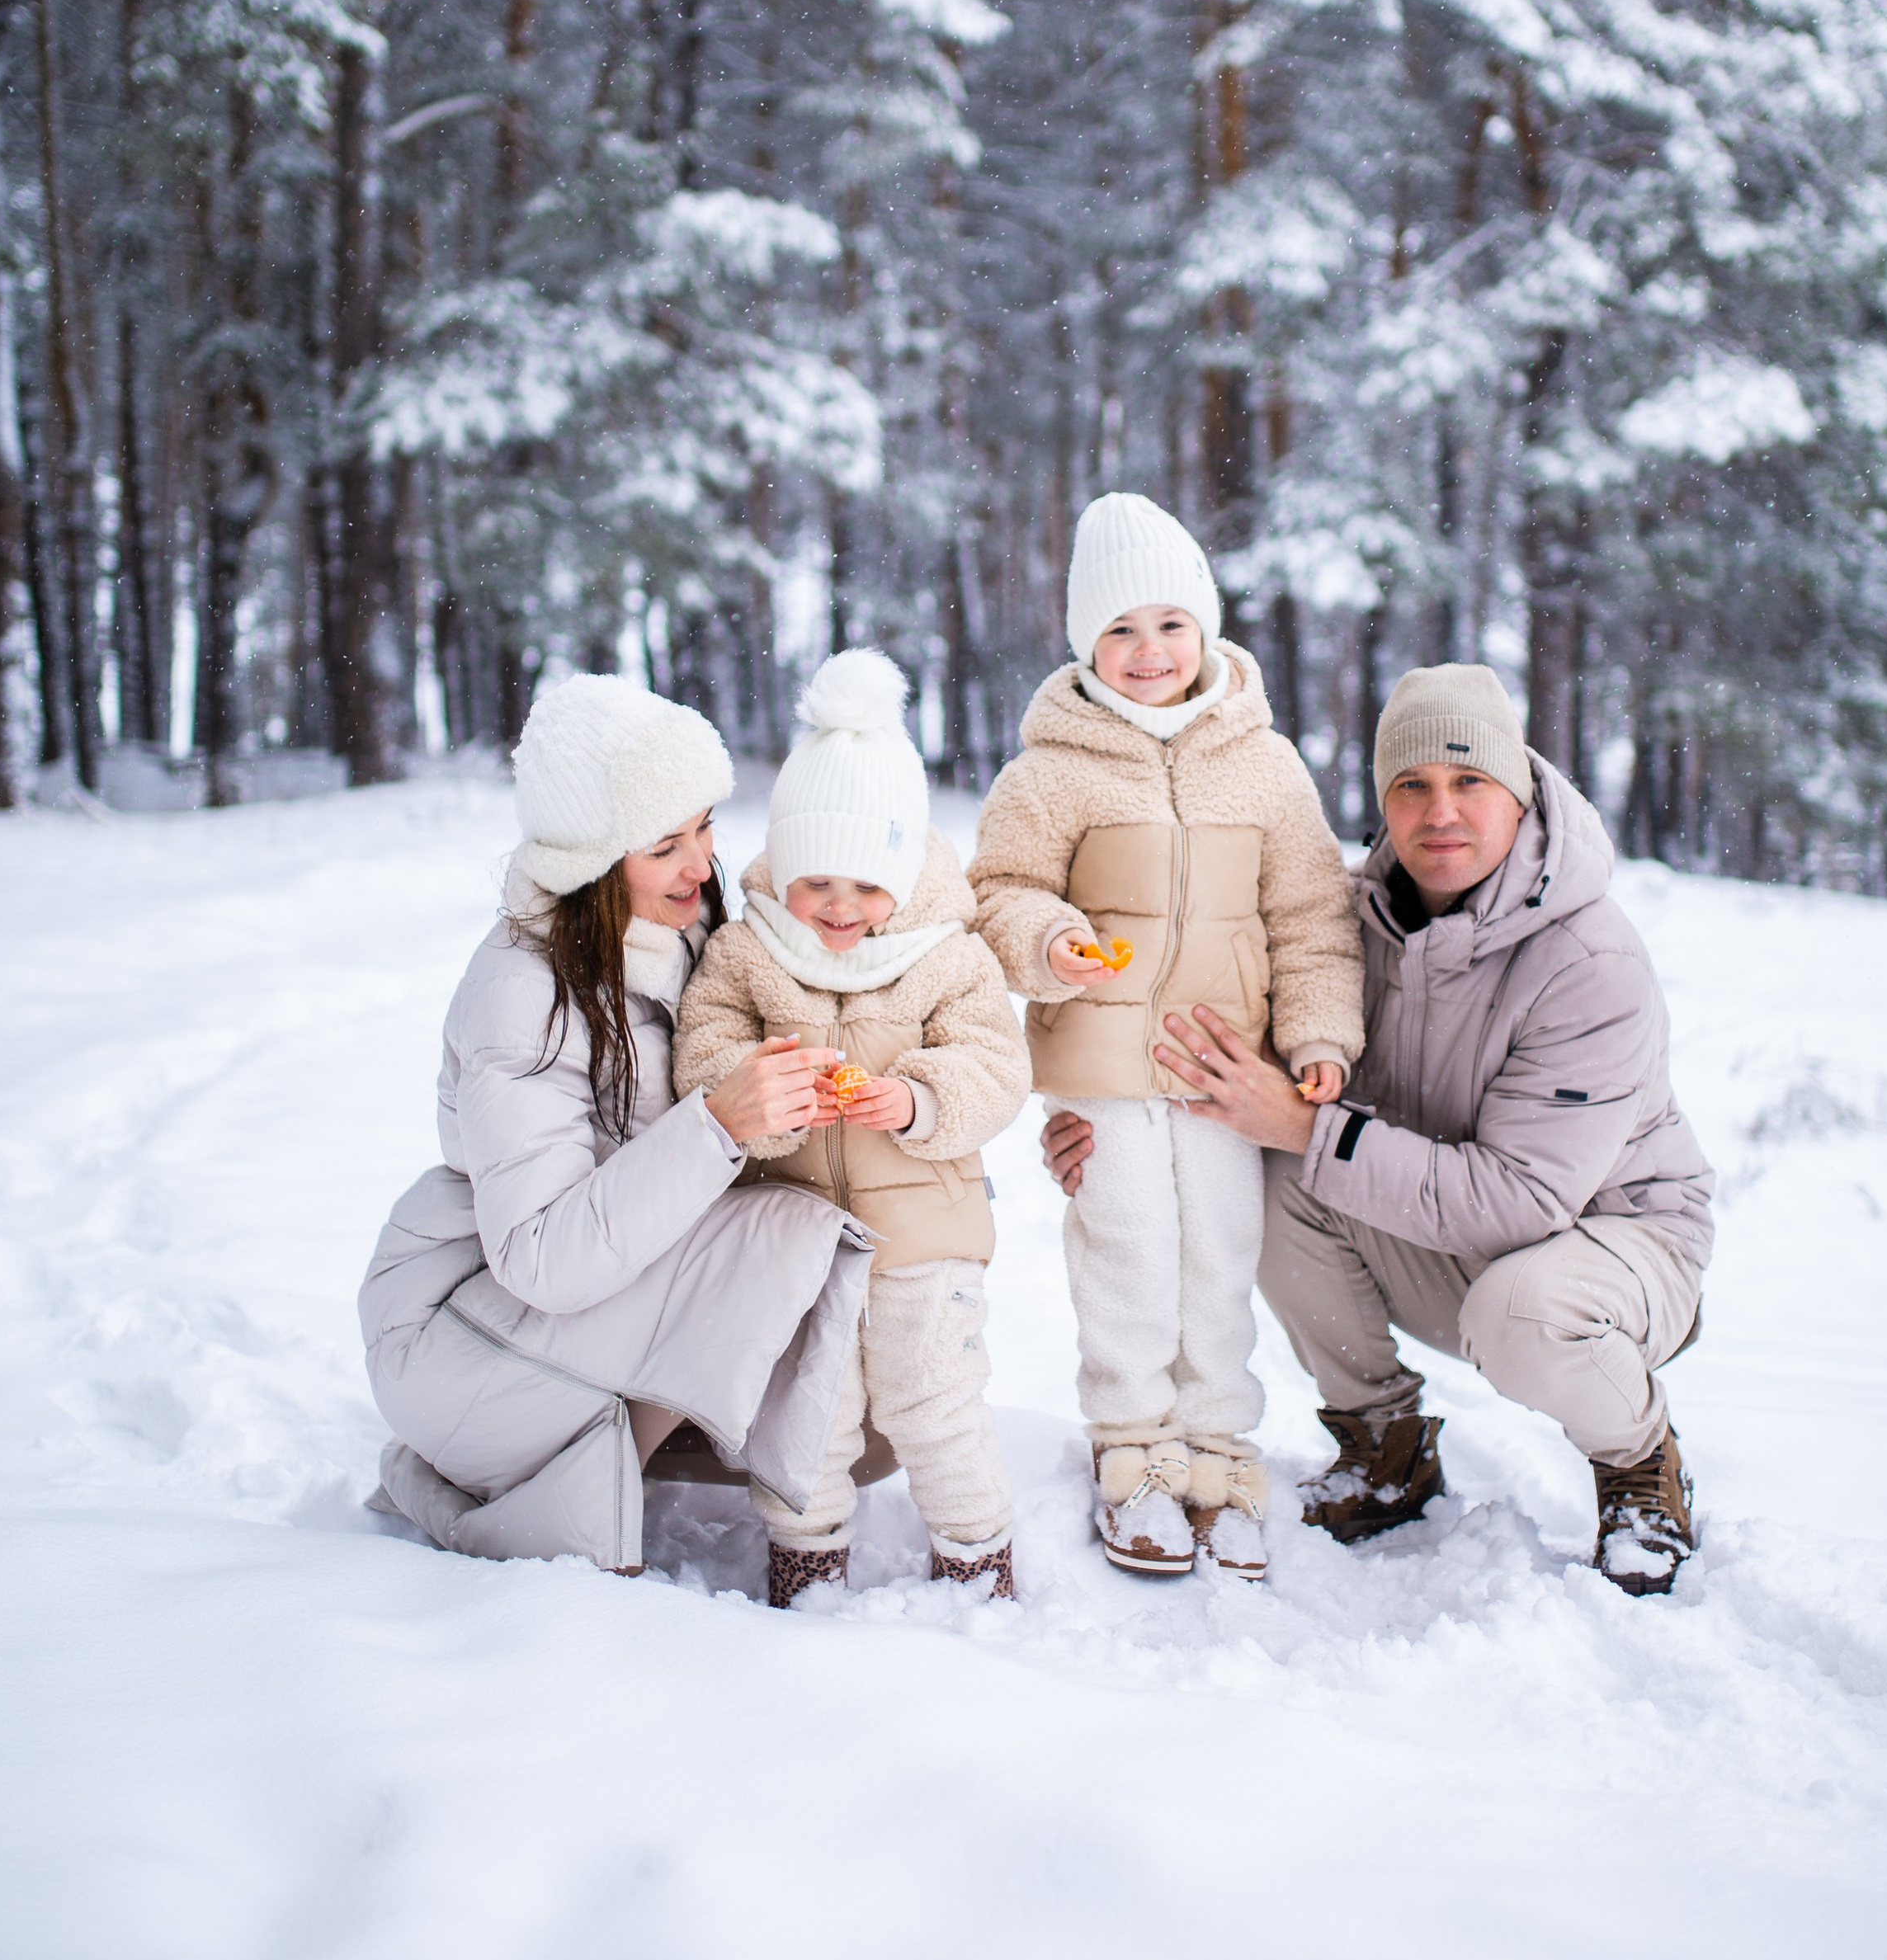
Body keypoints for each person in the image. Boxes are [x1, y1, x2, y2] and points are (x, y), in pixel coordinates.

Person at [1044, 662, 1714, 1598]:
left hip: (1612, 1250)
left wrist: (1308, 1130)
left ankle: (1640, 1466)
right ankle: (1385, 1447)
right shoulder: (1344, 926)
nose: (1441, 811)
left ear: (1518, 795)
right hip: (1441, 1230)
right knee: (1257, 1166)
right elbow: (1216, 1059)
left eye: (1469, 781)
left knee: (1518, 1309)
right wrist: (1101, 1125)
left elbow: (1523, 1200)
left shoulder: (1589, 960)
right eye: (1412, 786)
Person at [359, 674, 875, 1576]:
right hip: (453, 1331)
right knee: (784, 1240)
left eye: (705, 827)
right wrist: (717, 1126)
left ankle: (604, 1458)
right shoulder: (523, 993)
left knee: (862, 1381)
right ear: (590, 860)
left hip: (545, 1311)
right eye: (664, 843)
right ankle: (528, 1513)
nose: (698, 862)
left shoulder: (686, 929)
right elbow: (541, 1256)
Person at [969, 492, 1365, 1581]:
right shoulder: (1050, 771)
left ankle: (1220, 1447)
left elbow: (1313, 920)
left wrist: (1321, 1033)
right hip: (1102, 1065)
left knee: (1222, 1254)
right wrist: (1049, 943)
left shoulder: (1267, 766)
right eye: (1121, 630)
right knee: (1131, 1248)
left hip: (1224, 1067)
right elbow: (997, 893)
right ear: (1086, 643)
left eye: (1171, 625)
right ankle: (1135, 1448)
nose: (1149, 652)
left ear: (1208, 630)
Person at [673, 651, 1029, 1607]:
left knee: (933, 1402)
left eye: (866, 886)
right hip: (791, 1235)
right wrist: (755, 1091)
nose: (839, 909)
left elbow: (996, 1065)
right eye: (816, 882)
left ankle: (975, 1551)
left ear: (904, 873)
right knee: (806, 1410)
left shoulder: (947, 957)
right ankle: (806, 1551)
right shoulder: (745, 951)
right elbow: (703, 1049)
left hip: (924, 1238)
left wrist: (915, 1099)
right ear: (784, 866)